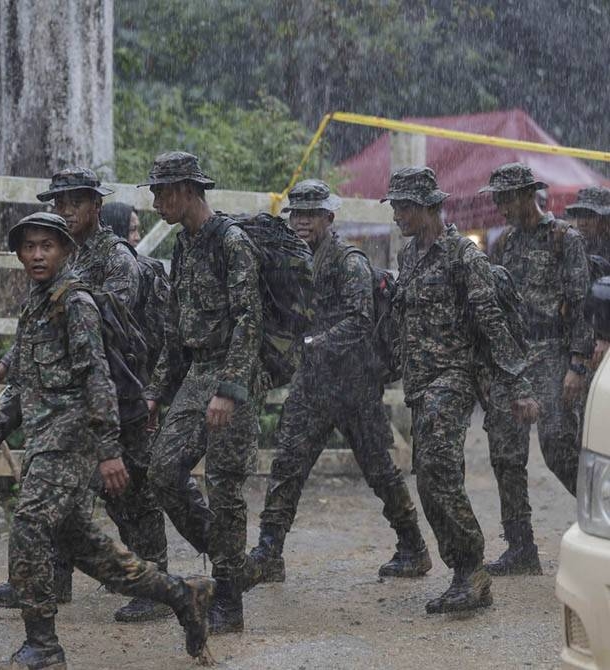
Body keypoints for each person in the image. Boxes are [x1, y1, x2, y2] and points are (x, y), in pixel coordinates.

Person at [0, 212, 214, 670]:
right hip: (43, 437)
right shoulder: (37, 302)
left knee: (29, 528)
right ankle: (182, 593)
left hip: (71, 438)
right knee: (87, 548)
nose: (37, 255)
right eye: (29, 247)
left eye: (47, 246)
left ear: (65, 251)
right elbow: (30, 379)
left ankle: (43, 645)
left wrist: (108, 451)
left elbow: (97, 377)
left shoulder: (75, 301)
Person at [0, 168, 177, 623]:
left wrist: (143, 398)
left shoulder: (114, 259)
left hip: (116, 387)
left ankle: (158, 586)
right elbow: (46, 324)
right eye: (59, 203)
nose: (65, 211)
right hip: (75, 396)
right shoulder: (63, 255)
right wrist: (11, 363)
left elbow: (108, 337)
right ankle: (44, 580)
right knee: (57, 495)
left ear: (96, 207)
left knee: (131, 494)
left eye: (74, 203)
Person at [245, 179, 429, 589]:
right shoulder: (293, 260)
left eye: (311, 214)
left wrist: (314, 343)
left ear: (329, 217)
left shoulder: (349, 262)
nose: (302, 222)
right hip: (313, 385)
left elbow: (360, 322)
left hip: (354, 386)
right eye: (296, 213)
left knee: (380, 470)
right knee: (287, 466)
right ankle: (269, 552)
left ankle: (413, 546)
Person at [386, 167, 539, 613]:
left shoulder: (461, 257)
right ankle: (463, 570)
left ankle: (471, 569)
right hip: (420, 381)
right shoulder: (408, 256)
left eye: (405, 206)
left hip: (453, 378)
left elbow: (492, 324)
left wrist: (518, 384)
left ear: (431, 207)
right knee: (431, 478)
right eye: (394, 206)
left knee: (436, 468)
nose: (398, 215)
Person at [140, 151, 263, 634]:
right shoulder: (183, 246)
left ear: (189, 190)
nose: (156, 202)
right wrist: (155, 393)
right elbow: (174, 330)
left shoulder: (231, 242)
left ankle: (228, 599)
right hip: (197, 372)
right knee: (164, 471)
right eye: (153, 192)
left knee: (226, 486)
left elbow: (249, 321)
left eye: (162, 191)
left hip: (236, 374)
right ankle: (234, 561)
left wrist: (230, 390)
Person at [480, 163, 593, 575]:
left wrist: (577, 365)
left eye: (506, 198)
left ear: (528, 196)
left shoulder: (565, 239)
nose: (500, 207)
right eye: (496, 199)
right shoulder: (506, 243)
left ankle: (604, 516)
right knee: (506, 450)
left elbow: (582, 306)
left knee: (559, 443)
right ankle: (521, 547)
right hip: (516, 354)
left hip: (554, 351)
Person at [566, 185, 610, 367]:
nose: (582, 222)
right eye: (579, 215)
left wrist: (604, 336)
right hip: (573, 344)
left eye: (590, 215)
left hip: (602, 347)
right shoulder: (573, 248)